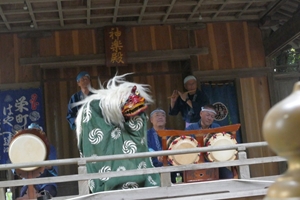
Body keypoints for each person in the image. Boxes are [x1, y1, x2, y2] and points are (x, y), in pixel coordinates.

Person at [186, 104, 236, 179]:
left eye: (212, 116)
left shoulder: (216, 127)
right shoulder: (191, 128)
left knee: (230, 176)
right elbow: (187, 146)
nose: (209, 118)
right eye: (208, 115)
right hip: (195, 163)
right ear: (201, 114)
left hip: (215, 162)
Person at [17, 123, 58, 199]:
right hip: (29, 182)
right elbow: (14, 168)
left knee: (46, 196)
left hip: (47, 182)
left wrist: (49, 167)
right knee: (24, 195)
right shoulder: (23, 148)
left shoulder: (50, 149)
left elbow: (55, 173)